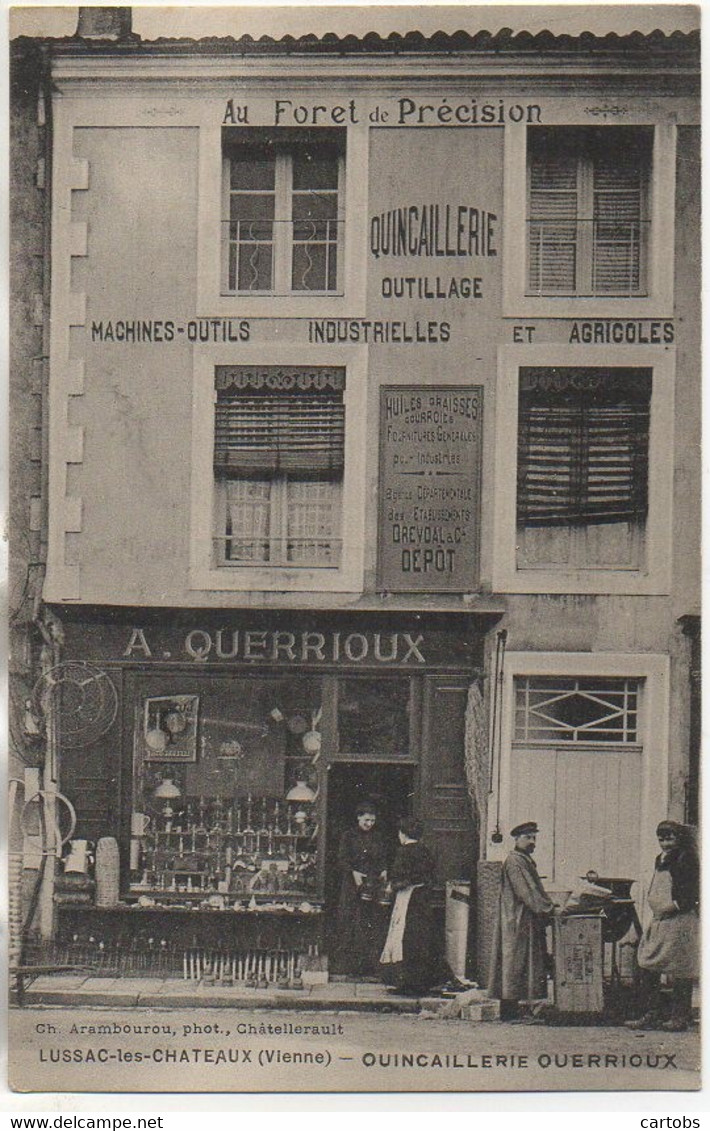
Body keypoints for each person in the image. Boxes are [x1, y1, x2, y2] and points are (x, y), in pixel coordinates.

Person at [626, 820, 699, 1031]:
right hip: (660, 919)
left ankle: (680, 1016)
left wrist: (673, 906)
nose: (665, 843)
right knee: (648, 963)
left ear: (679, 839)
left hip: (680, 920)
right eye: (661, 839)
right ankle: (652, 1014)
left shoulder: (687, 858)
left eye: (670, 838)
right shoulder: (660, 859)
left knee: (680, 968)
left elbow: (691, 892)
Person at [487, 821, 556, 1017]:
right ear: (516, 839)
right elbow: (527, 892)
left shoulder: (523, 859)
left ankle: (516, 1007)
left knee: (520, 961)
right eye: (528, 838)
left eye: (534, 837)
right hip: (516, 919)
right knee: (513, 962)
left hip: (524, 918)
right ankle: (508, 1009)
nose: (532, 841)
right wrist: (547, 909)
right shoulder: (515, 861)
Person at [379, 816, 445, 995]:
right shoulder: (425, 850)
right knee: (421, 939)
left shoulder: (404, 851)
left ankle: (408, 984)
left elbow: (401, 877)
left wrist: (391, 886)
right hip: (422, 898)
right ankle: (422, 983)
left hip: (408, 898)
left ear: (402, 834)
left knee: (405, 938)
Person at [333, 801, 389, 976]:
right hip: (352, 885)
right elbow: (341, 859)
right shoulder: (348, 836)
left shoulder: (378, 836)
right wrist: (352, 872)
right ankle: (348, 968)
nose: (369, 824)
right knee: (350, 921)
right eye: (366, 820)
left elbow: (383, 858)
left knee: (371, 923)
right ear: (358, 818)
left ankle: (370, 967)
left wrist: (384, 870)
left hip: (372, 884)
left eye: (372, 820)